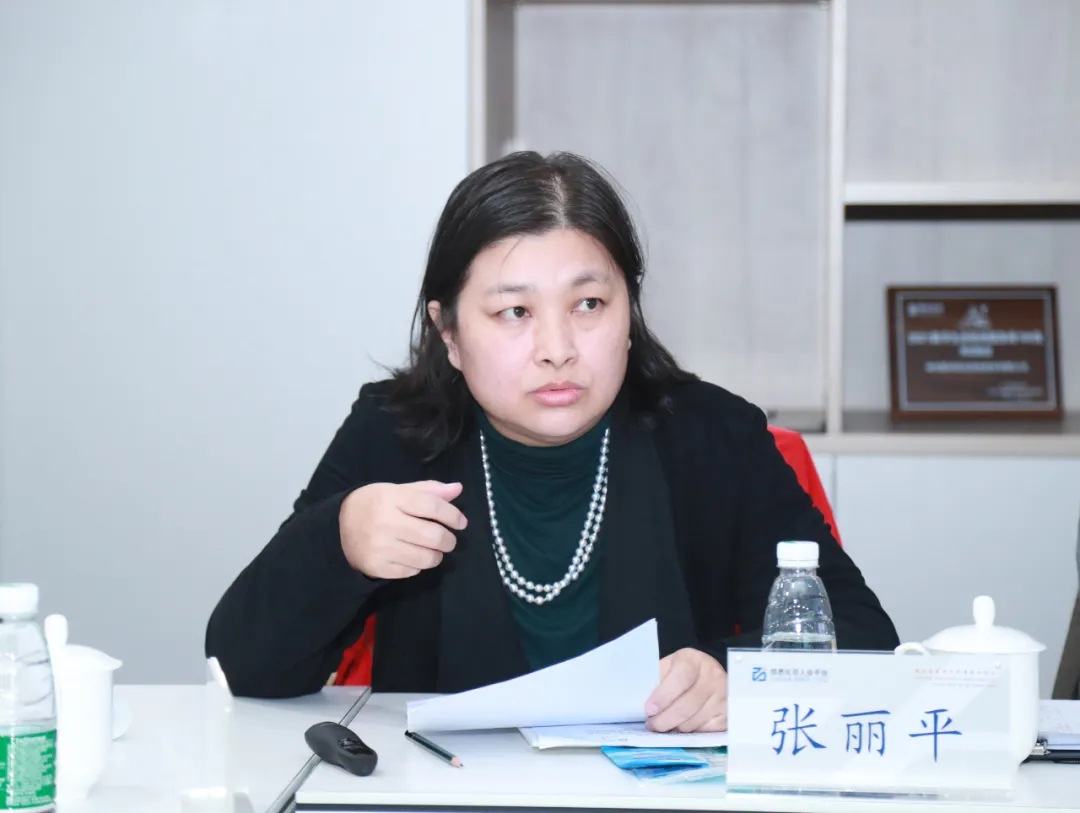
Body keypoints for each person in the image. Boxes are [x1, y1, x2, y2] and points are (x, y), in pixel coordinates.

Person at [205, 151, 899, 733]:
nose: (557, 348)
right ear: (449, 333)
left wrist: (732, 675)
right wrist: (340, 541)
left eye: (588, 304)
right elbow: (244, 667)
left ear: (629, 310)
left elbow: (864, 638)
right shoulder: (393, 434)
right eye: (514, 311)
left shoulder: (712, 437)